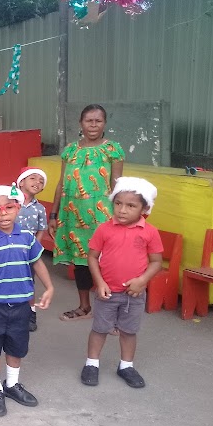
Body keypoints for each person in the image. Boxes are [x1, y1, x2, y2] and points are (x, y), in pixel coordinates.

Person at [0, 186, 54, 418]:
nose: (3, 213)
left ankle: (12, 385)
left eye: (9, 208)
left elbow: (37, 262)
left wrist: (50, 287)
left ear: (18, 208)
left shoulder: (26, 236)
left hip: (21, 304)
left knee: (17, 345)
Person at [81, 177, 163, 389]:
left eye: (130, 206)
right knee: (99, 329)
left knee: (129, 331)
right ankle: (92, 363)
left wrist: (142, 281)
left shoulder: (150, 232)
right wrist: (99, 283)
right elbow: (92, 257)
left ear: (144, 208)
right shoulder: (104, 229)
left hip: (133, 294)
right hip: (107, 292)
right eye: (118, 204)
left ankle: (126, 366)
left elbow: (156, 262)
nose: (122, 210)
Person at [48, 104, 125, 321]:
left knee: (106, 262)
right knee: (80, 261)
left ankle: (110, 313)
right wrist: (53, 215)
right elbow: (62, 183)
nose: (93, 125)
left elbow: (117, 184)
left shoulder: (112, 150)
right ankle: (84, 308)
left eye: (98, 121)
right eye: (88, 120)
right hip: (73, 215)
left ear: (104, 124)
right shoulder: (71, 151)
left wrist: (120, 216)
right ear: (81, 123)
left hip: (102, 217)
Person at [15, 167, 49, 332]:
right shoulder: (12, 203)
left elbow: (41, 229)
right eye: (33, 178)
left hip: (29, 254)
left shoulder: (40, 209)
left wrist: (35, 248)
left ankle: (31, 312)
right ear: (21, 182)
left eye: (41, 181)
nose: (37, 182)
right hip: (10, 251)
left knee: (29, 283)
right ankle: (11, 311)